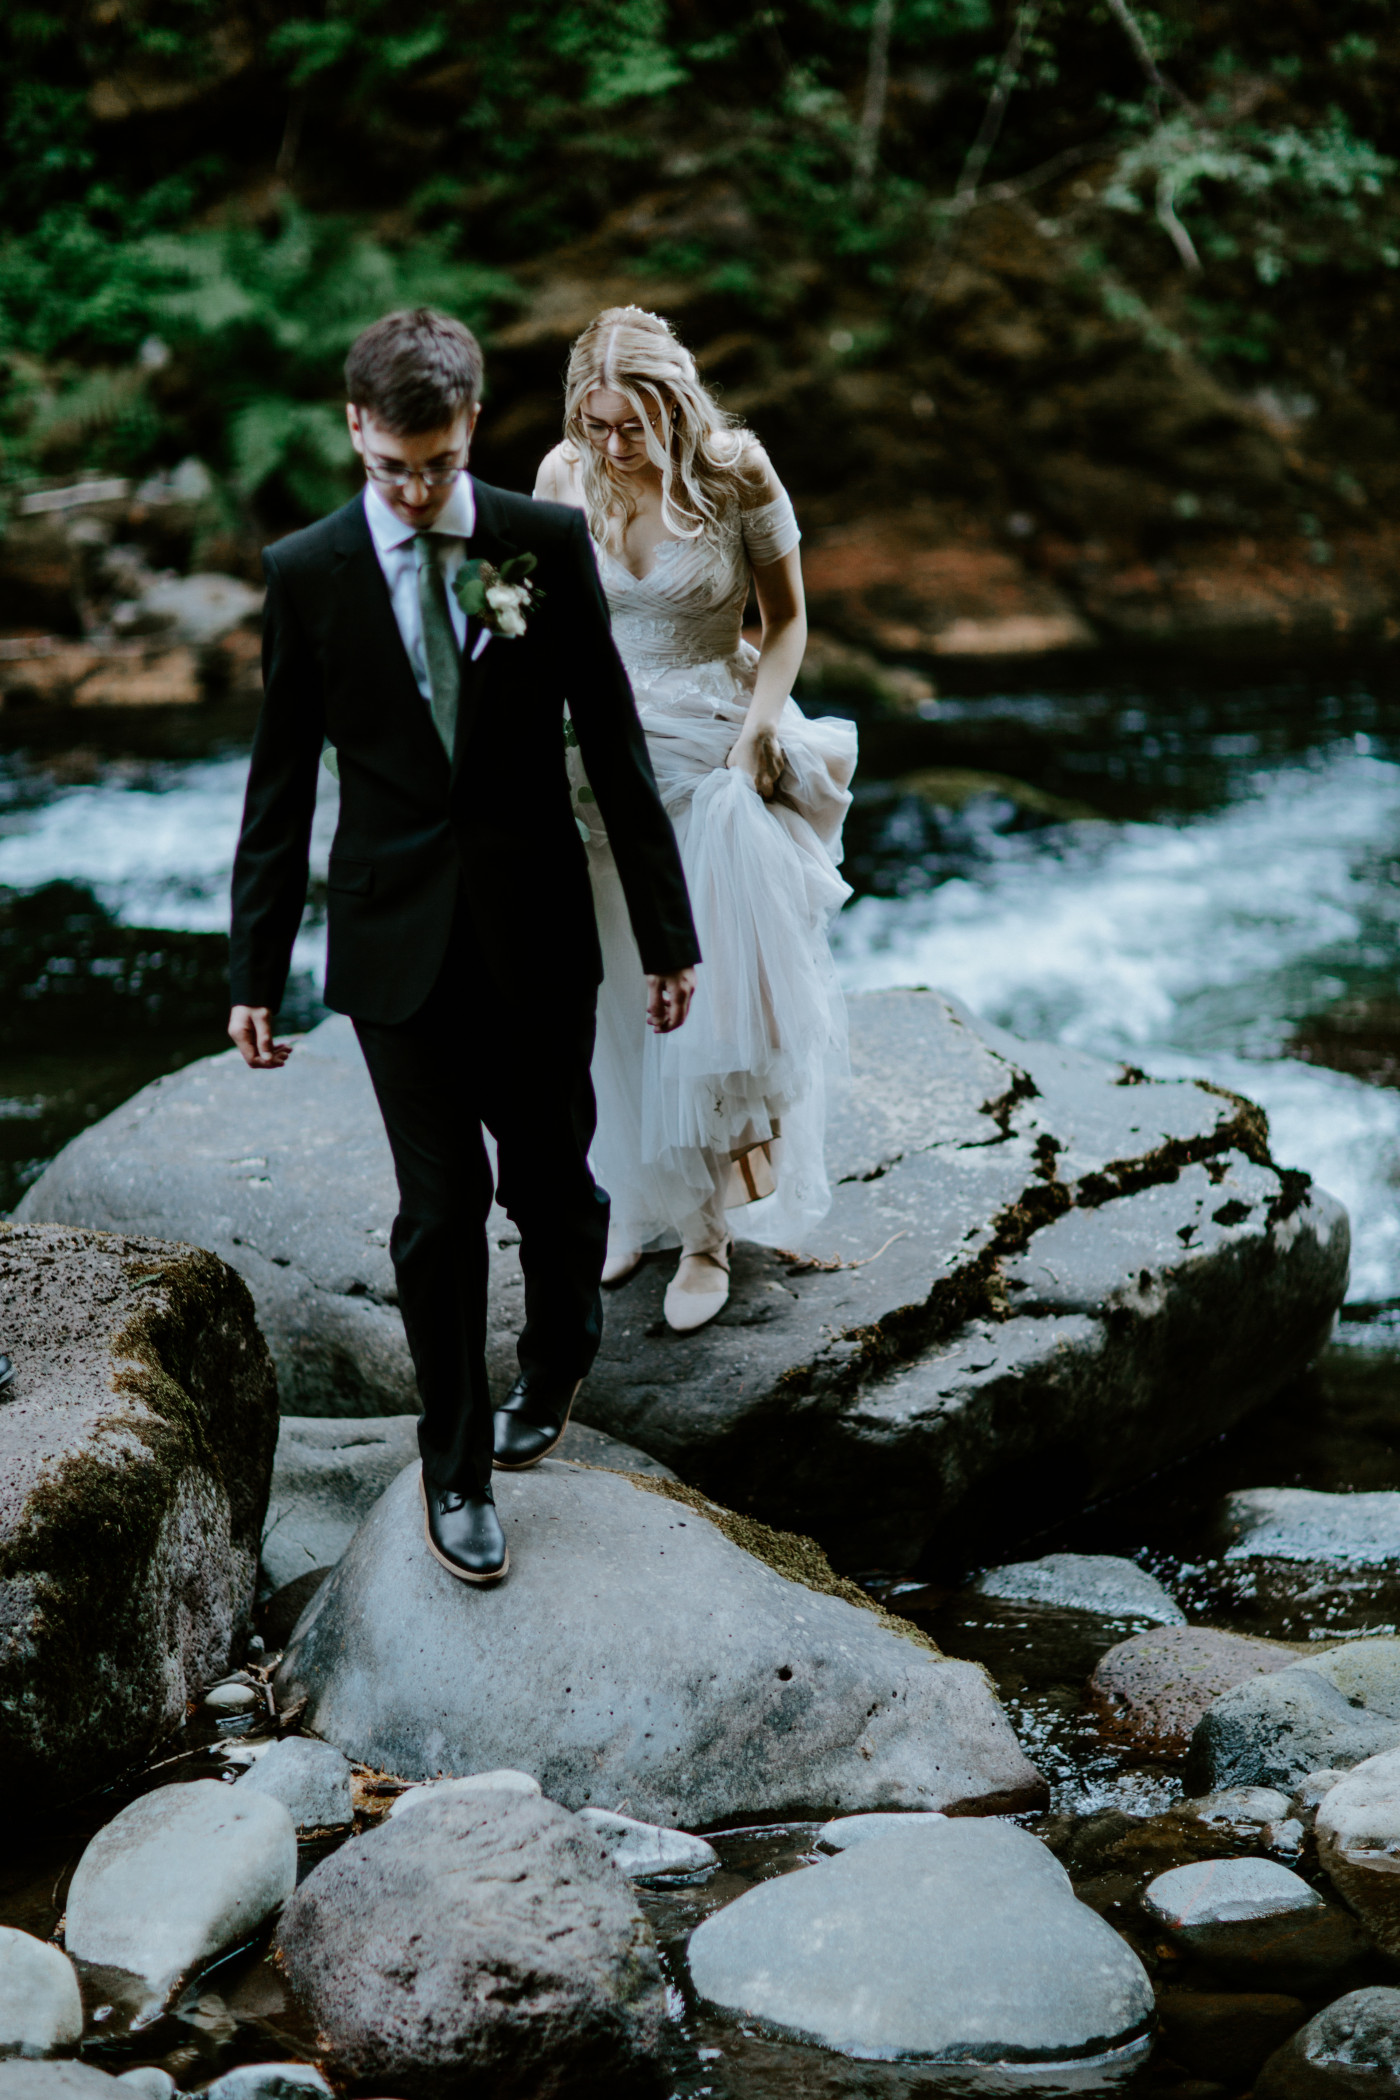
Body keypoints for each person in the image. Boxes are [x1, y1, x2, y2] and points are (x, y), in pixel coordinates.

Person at [228, 307, 698, 1587]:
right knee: (437, 1217)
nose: (419, 491)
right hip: (392, 946)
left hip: (535, 927)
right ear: (354, 433)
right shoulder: (306, 572)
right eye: (393, 469)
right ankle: (454, 1471)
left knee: (550, 1185)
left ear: (471, 428)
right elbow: (279, 785)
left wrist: (667, 933)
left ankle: (556, 1354)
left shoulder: (539, 544)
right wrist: (253, 976)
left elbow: (609, 740)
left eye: (437, 466)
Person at [535, 307, 856, 1331]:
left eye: (632, 427)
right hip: (588, 766)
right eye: (598, 426)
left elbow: (788, 618)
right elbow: (540, 627)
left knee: (710, 999)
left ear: (672, 407)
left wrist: (759, 730)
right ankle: (631, 1200)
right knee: (610, 987)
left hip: (704, 763)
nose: (614, 447)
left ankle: (711, 1236)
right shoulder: (560, 477)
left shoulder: (734, 472)